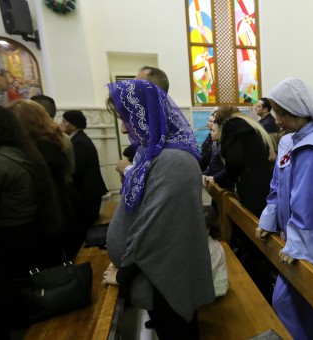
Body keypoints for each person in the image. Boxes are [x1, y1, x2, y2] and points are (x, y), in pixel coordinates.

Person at [103, 79, 215, 339]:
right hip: (151, 271)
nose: (122, 128)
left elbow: (156, 229)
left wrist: (124, 274)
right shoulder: (153, 152)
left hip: (165, 272)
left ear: (147, 114)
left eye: (126, 118)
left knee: (177, 333)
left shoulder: (173, 160)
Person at [255, 78, 313, 340]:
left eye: (281, 113)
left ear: (297, 110)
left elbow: (309, 202)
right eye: (276, 113)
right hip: (293, 239)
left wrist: (298, 246)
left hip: (310, 241)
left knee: (289, 301)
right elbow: (277, 187)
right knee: (307, 306)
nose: (277, 120)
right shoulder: (292, 140)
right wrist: (268, 221)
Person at [0, 106, 66, 337]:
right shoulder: (29, 153)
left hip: (11, 240)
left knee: (18, 303)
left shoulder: (3, 161)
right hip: (30, 233)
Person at [214, 105, 276, 302]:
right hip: (262, 185)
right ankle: (262, 285)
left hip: (251, 188)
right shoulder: (249, 125)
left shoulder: (232, 125)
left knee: (253, 237)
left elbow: (234, 160)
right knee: (259, 234)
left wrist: (224, 178)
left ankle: (258, 290)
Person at [6, 100, 78, 257]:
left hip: (42, 220)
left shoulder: (31, 150)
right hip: (62, 211)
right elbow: (69, 172)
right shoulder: (58, 141)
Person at [61, 110, 108, 239]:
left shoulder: (79, 142)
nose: (61, 124)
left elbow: (77, 170)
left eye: (64, 121)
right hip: (88, 193)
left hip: (86, 194)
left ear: (73, 125)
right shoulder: (78, 139)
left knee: (85, 232)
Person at [116, 66, 170, 176]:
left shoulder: (170, 153)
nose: (123, 130)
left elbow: (153, 184)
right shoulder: (147, 141)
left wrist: (127, 169)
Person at [202, 119, 233, 190]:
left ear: (221, 132)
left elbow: (229, 169)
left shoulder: (226, 147)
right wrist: (204, 173)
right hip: (217, 184)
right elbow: (214, 166)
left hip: (225, 186)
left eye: (213, 131)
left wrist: (215, 177)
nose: (210, 133)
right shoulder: (216, 144)